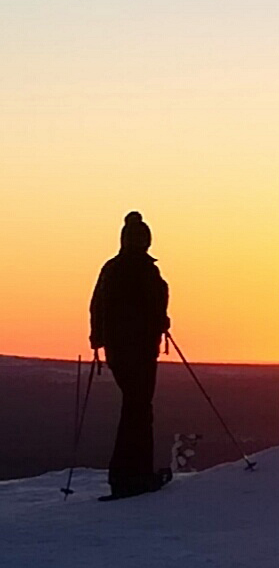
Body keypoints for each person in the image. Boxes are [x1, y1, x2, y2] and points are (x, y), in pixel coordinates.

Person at [90, 212, 171, 497]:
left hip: (118, 351)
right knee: (139, 410)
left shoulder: (111, 268)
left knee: (133, 408)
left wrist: (98, 339)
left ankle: (126, 476)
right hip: (141, 350)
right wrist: (161, 324)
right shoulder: (146, 270)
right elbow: (155, 304)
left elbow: (96, 304)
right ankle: (135, 475)